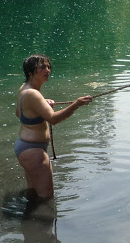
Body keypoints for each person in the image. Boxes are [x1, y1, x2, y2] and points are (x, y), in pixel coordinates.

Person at [15, 54, 92, 200]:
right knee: (46, 198)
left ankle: (27, 219)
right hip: (33, 152)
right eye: (42, 67)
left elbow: (19, 113)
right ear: (30, 72)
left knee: (33, 194)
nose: (48, 70)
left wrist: (41, 104)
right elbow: (54, 119)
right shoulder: (32, 93)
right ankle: (42, 222)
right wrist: (76, 104)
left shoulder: (25, 89)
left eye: (49, 67)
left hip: (26, 148)